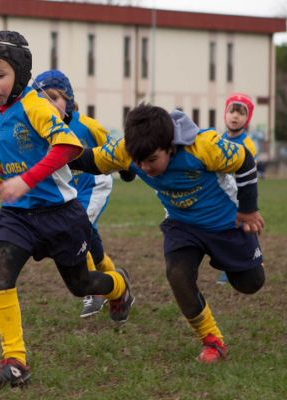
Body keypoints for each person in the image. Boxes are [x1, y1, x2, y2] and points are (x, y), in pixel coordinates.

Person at [0, 31, 134, 389]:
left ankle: (119, 286)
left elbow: (68, 145)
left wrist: (26, 181)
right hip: (18, 216)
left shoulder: (35, 105)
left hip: (60, 214)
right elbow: (5, 175)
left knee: (82, 285)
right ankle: (15, 361)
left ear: (20, 73)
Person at [69, 103, 265, 364]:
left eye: (152, 160)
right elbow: (90, 160)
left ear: (170, 148)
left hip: (226, 223)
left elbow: (246, 162)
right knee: (177, 275)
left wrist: (249, 210)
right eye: (139, 162)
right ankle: (212, 341)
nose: (145, 168)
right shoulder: (127, 150)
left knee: (250, 283)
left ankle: (229, 260)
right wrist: (54, 151)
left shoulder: (204, 146)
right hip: (181, 225)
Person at [31, 69, 134, 318]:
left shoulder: (86, 125)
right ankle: (119, 287)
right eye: (43, 100)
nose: (50, 105)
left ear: (69, 99)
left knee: (75, 230)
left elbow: (113, 147)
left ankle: (94, 291)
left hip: (94, 185)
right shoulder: (40, 129)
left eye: (55, 98)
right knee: (94, 248)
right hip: (71, 194)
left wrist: (127, 168)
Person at [216, 93, 257, 285]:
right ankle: (231, 266)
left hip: (240, 196)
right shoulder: (217, 139)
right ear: (225, 114)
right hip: (221, 194)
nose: (235, 116)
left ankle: (251, 261)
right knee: (224, 230)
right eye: (232, 111)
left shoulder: (247, 144)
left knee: (243, 230)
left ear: (246, 119)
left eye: (241, 113)